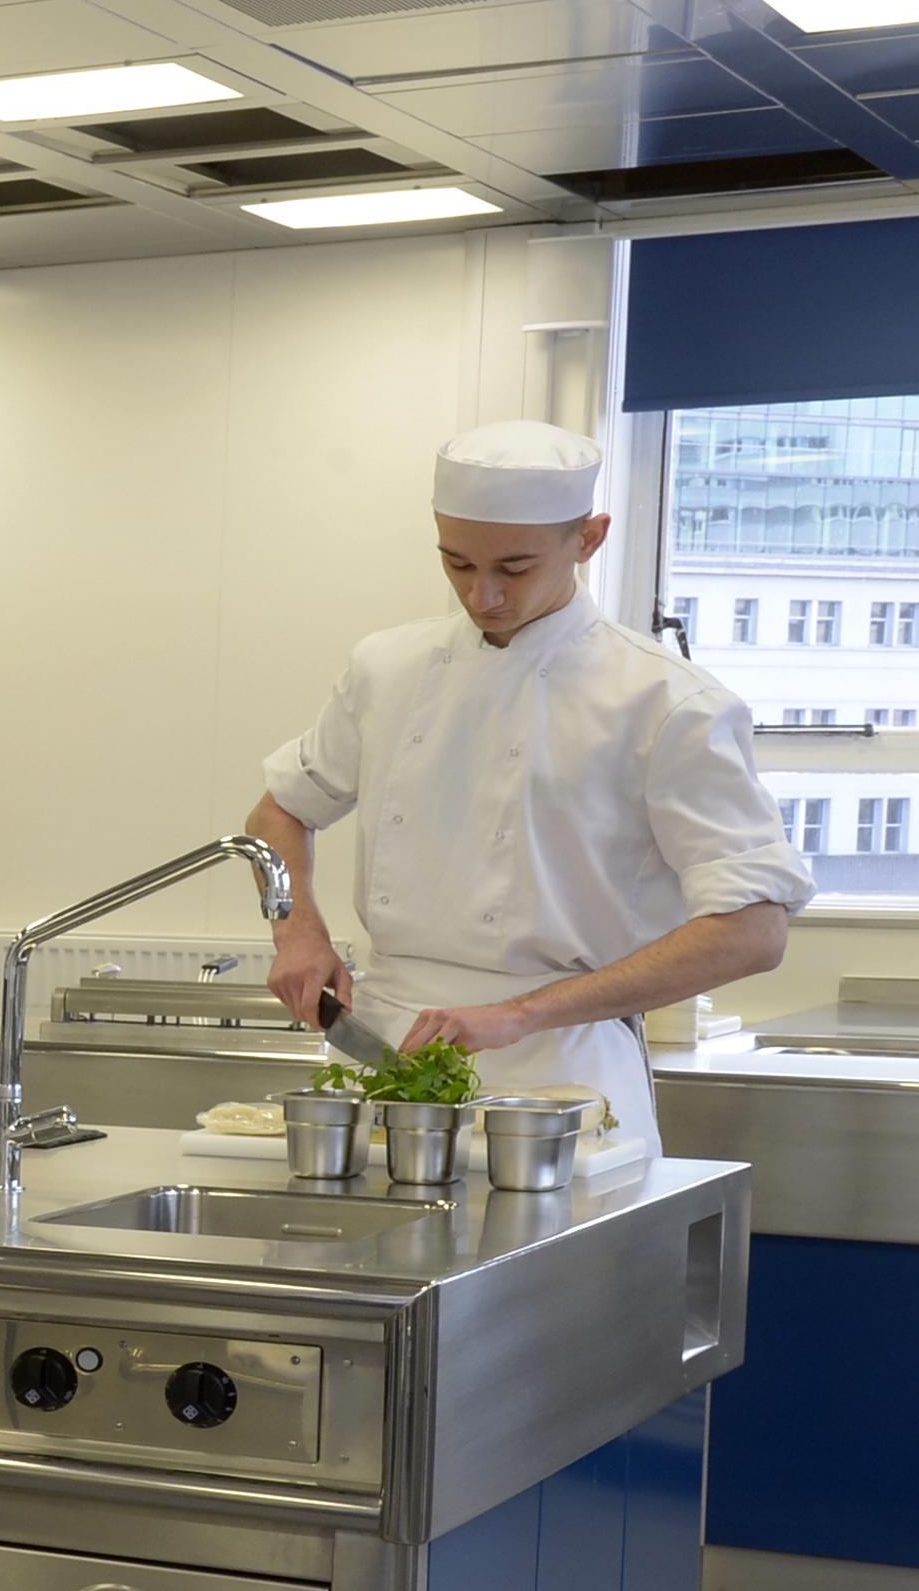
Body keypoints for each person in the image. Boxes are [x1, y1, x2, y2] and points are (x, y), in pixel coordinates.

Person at [250, 421, 804, 1142]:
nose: (481, 595)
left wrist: (523, 1013)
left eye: (513, 569)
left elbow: (754, 932)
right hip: (383, 1046)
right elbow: (280, 812)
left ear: (589, 539)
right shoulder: (387, 668)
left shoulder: (668, 703)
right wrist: (297, 932)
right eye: (456, 563)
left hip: (562, 1065)